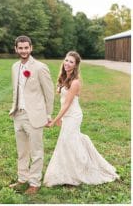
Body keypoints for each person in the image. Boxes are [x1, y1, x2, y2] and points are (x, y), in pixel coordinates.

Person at [43, 51, 119, 187]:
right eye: (66, 60)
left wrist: (54, 120)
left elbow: (67, 104)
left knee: (66, 141)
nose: (67, 63)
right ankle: (70, 169)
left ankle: (81, 169)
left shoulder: (76, 82)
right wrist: (60, 118)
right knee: (70, 141)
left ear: (76, 65)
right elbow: (62, 100)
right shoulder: (63, 77)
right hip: (66, 114)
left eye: (71, 62)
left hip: (73, 116)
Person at [8, 35, 54, 194]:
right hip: (18, 114)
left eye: (26, 48)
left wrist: (49, 115)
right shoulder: (14, 67)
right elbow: (16, 90)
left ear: (31, 48)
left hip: (34, 116)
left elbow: (49, 94)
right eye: (20, 48)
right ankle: (22, 179)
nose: (23, 51)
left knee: (36, 151)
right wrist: (13, 109)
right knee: (22, 151)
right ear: (16, 49)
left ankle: (34, 183)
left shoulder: (40, 67)